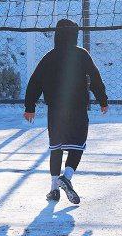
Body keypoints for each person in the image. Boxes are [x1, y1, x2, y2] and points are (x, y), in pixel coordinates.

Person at [24, 19, 108, 204]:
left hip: (55, 111)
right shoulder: (82, 55)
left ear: (57, 35)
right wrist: (103, 100)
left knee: (56, 148)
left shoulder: (49, 57)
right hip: (77, 108)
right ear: (75, 35)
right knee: (77, 145)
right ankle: (67, 177)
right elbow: (95, 78)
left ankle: (54, 189)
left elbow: (34, 82)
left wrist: (30, 107)